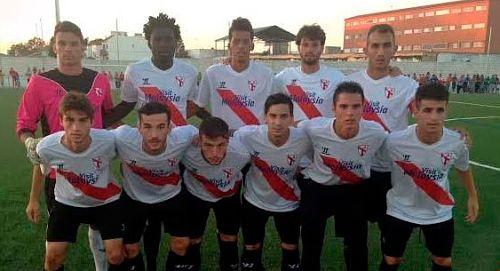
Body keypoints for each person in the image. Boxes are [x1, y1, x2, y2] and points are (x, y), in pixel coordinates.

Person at [16, 21, 114, 271]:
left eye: (74, 44)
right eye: (62, 44)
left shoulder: (100, 80)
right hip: (57, 173)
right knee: (57, 243)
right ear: (54, 47)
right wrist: (30, 142)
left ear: (83, 47)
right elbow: (24, 124)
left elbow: (108, 117)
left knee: (100, 228)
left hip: (96, 168)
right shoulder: (39, 82)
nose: (68, 49)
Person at [105, 13, 199, 270]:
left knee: (166, 212)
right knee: (143, 218)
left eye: (169, 39)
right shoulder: (135, 71)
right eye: (158, 39)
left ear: (176, 41)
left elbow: (191, 106)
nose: (164, 44)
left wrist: (214, 124)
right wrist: (98, 120)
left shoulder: (190, 72)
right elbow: (126, 104)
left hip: (175, 151)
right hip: (144, 148)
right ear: (149, 42)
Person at [379, 83, 479, 271]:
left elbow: (463, 167)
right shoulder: (394, 141)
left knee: (443, 261)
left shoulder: (457, 142)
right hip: (399, 209)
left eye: (439, 110)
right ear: (415, 110)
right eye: (427, 110)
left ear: (446, 111)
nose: (434, 117)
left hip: (438, 211)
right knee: (391, 259)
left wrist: (473, 195)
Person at [25, 92, 124, 271]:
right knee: (53, 257)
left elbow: (134, 144)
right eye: (69, 120)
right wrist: (33, 200)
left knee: (116, 254)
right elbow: (40, 167)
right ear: (61, 120)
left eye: (82, 120)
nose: (76, 127)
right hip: (67, 202)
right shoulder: (47, 147)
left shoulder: (109, 140)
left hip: (105, 201)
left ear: (92, 121)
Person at [345, 24, 419, 251]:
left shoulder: (408, 86)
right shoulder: (349, 82)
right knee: (354, 238)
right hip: (358, 168)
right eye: (375, 45)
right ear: (365, 49)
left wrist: (453, 133)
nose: (380, 51)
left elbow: (427, 117)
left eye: (386, 45)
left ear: (394, 48)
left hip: (392, 171)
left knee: (391, 239)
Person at [299, 81, 387, 271]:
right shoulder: (314, 128)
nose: (350, 113)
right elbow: (291, 128)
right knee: (311, 242)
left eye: (356, 106)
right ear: (333, 108)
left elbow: (401, 143)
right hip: (319, 188)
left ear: (364, 107)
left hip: (354, 189)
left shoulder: (376, 132)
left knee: (356, 245)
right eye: (343, 106)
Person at [114, 102, 198, 271]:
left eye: (161, 127)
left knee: (181, 244)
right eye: (147, 127)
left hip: (170, 195)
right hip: (134, 198)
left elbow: (204, 137)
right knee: (130, 249)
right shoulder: (123, 137)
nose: (154, 134)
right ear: (138, 127)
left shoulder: (184, 135)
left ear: (170, 127)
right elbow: (94, 139)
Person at [234, 93, 311, 271]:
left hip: (288, 203)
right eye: (273, 116)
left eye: (284, 116)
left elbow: (312, 162)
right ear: (265, 118)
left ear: (292, 119)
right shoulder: (247, 135)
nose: (278, 122)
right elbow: (225, 144)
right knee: (251, 248)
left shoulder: (304, 140)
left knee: (290, 248)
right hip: (254, 200)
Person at [182, 117, 250, 270]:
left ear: (228, 141)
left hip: (228, 196)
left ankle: (230, 265)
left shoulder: (241, 154)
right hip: (195, 195)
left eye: (221, 145)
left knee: (229, 237)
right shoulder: (187, 152)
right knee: (193, 239)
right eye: (208, 145)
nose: (215, 153)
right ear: (199, 140)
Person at [196, 17, 274, 132]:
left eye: (245, 42)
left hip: (254, 142)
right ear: (229, 45)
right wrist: (216, 126)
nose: (241, 46)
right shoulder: (213, 73)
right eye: (236, 41)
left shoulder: (266, 75)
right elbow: (198, 106)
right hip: (224, 142)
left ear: (252, 45)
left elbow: (275, 111)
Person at [274, 24, 345, 122]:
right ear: (299, 47)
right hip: (293, 136)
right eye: (305, 45)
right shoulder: (283, 78)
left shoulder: (337, 79)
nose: (310, 50)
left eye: (315, 45)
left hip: (322, 137)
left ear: (322, 48)